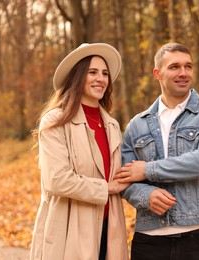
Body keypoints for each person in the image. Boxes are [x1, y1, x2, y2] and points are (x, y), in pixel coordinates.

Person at [115, 42, 199, 260]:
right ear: (157, 73)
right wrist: (145, 196)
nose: (183, 73)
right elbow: (124, 177)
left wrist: (149, 170)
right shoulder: (136, 125)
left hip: (197, 240)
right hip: (149, 240)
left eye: (188, 66)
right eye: (174, 67)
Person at [30, 43, 129, 260]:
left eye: (105, 73)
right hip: (68, 229)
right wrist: (106, 187)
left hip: (108, 228)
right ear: (77, 77)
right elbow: (56, 180)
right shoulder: (55, 121)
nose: (100, 79)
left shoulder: (111, 125)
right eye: (92, 72)